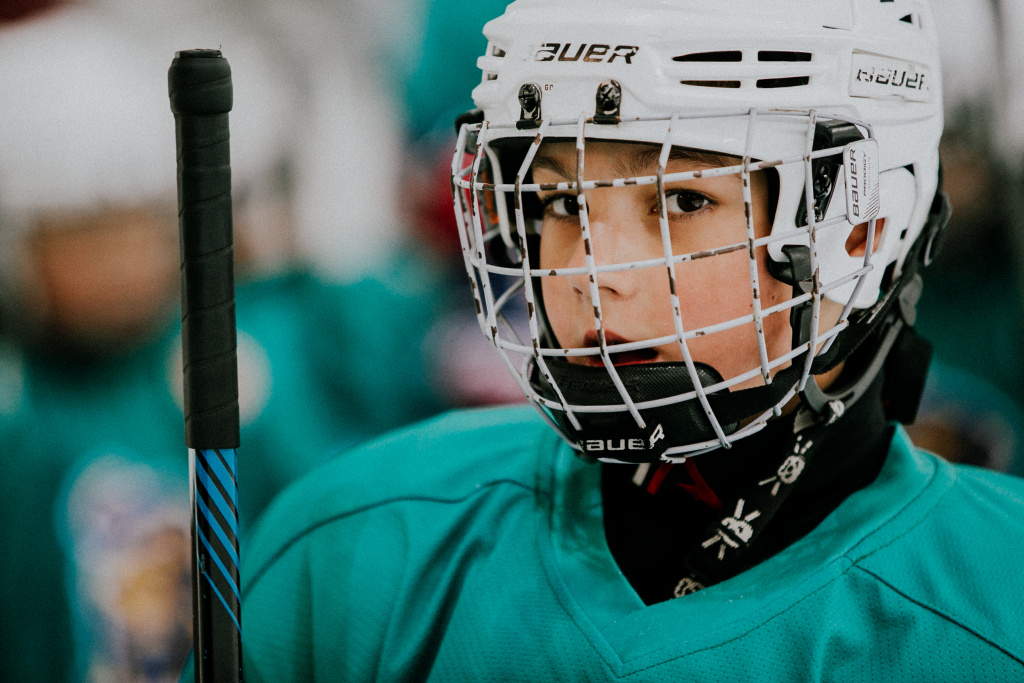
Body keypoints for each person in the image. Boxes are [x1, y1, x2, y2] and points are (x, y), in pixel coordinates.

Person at [233, 1, 1024, 680]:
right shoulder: (353, 553)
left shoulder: (997, 601)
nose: (591, 272)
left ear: (862, 229)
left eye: (682, 201)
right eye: (561, 203)